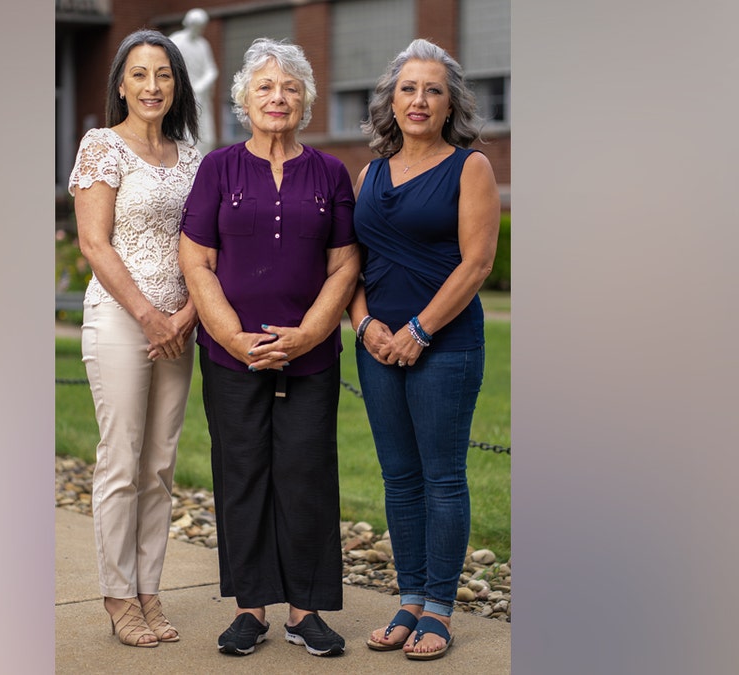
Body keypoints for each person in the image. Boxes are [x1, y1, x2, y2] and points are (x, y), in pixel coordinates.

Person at [177, 37, 360, 658]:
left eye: (290, 87)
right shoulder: (218, 168)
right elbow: (197, 261)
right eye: (265, 87)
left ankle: (305, 611)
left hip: (312, 356)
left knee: (307, 474)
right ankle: (249, 610)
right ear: (243, 100)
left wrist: (309, 333)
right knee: (242, 473)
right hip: (231, 355)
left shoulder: (330, 173)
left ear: (305, 100)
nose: (277, 97)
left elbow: (344, 264)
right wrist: (232, 336)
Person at [348, 38, 501, 661]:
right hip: (376, 347)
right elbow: (352, 265)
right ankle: (409, 598)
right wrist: (364, 325)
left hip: (445, 345)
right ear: (390, 101)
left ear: (450, 105)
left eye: (433, 90)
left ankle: (439, 608)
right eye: (408, 89)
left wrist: (419, 330)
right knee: (399, 478)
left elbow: (477, 263)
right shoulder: (369, 173)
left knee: (442, 477)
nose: (419, 100)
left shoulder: (470, 168)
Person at [67, 29, 201, 648]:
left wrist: (186, 316)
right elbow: (94, 244)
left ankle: (150, 591)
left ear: (177, 85)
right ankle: (118, 596)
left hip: (180, 324)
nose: (152, 86)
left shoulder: (193, 156)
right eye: (140, 74)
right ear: (121, 84)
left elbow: (207, 246)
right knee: (121, 459)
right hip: (124, 319)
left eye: (164, 74)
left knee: (160, 463)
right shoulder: (102, 146)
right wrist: (150, 316)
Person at [169, 9, 218, 155]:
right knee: (184, 131)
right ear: (188, 23)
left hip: (200, 94)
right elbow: (168, 66)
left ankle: (204, 161)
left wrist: (202, 85)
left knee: (206, 135)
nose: (198, 30)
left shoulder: (203, 44)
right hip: (182, 94)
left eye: (201, 27)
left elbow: (211, 69)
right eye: (196, 26)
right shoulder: (176, 41)